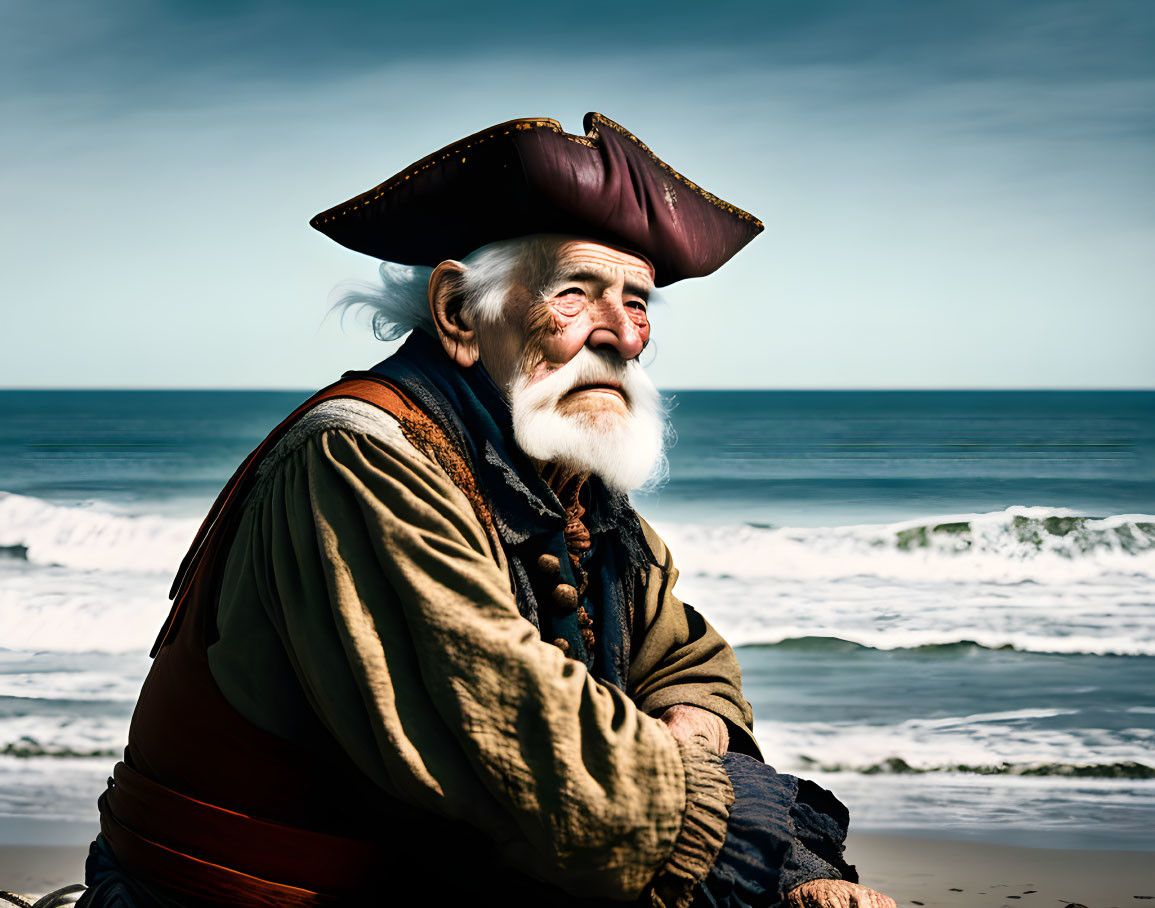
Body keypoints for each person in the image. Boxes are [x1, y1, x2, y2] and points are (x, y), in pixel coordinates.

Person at [79, 113, 896, 908]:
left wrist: (692, 729)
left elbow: (683, 658)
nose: (623, 335)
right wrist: (776, 860)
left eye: (639, 303)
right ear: (459, 314)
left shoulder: (561, 477)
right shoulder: (359, 458)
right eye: (576, 293)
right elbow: (539, 757)